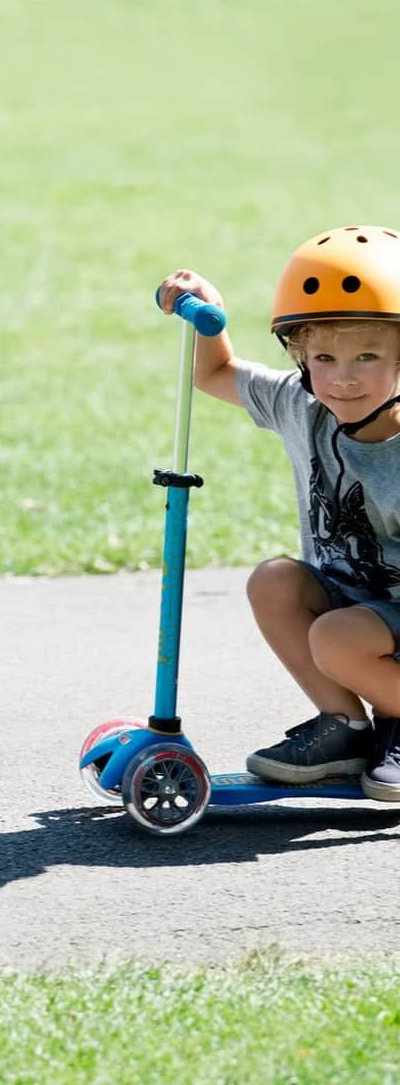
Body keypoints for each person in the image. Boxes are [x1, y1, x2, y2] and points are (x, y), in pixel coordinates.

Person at [158, 225, 400, 802]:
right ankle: (345, 727)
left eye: (367, 356)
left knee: (338, 637)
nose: (342, 376)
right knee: (275, 582)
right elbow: (214, 374)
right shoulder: (301, 403)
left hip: (380, 620)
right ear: (299, 355)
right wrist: (207, 314)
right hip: (353, 606)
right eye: (323, 356)